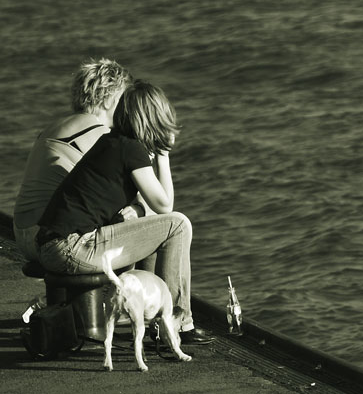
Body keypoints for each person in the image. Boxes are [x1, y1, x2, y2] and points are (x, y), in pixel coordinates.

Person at [36, 80, 213, 344]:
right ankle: (177, 323)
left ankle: (155, 320)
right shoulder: (131, 148)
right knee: (179, 225)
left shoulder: (114, 143)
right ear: (154, 119)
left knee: (161, 225)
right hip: (71, 246)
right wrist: (164, 154)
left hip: (54, 244)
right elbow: (166, 206)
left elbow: (151, 208)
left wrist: (138, 208)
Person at [14, 58, 133, 262]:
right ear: (108, 100)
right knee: (147, 225)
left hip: (22, 236)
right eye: (124, 98)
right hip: (52, 240)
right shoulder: (101, 135)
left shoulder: (52, 128)